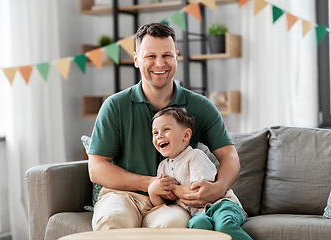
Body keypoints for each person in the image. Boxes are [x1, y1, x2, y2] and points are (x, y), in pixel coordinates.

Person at [87, 22, 240, 230]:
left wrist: (218, 188)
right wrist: (149, 183)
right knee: (112, 220)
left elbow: (229, 155)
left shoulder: (201, 105)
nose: (160, 64)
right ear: (136, 59)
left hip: (175, 204)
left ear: (176, 56)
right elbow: (96, 168)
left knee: (175, 225)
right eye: (150, 56)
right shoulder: (114, 106)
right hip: (122, 196)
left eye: (167, 55)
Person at [149, 107, 252, 240]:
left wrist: (172, 188)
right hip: (197, 213)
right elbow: (162, 205)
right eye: (155, 133)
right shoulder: (162, 167)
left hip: (221, 205)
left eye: (166, 130)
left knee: (224, 227)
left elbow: (198, 192)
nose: (159, 136)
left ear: (186, 135)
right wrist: (153, 191)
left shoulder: (194, 156)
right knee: (197, 225)